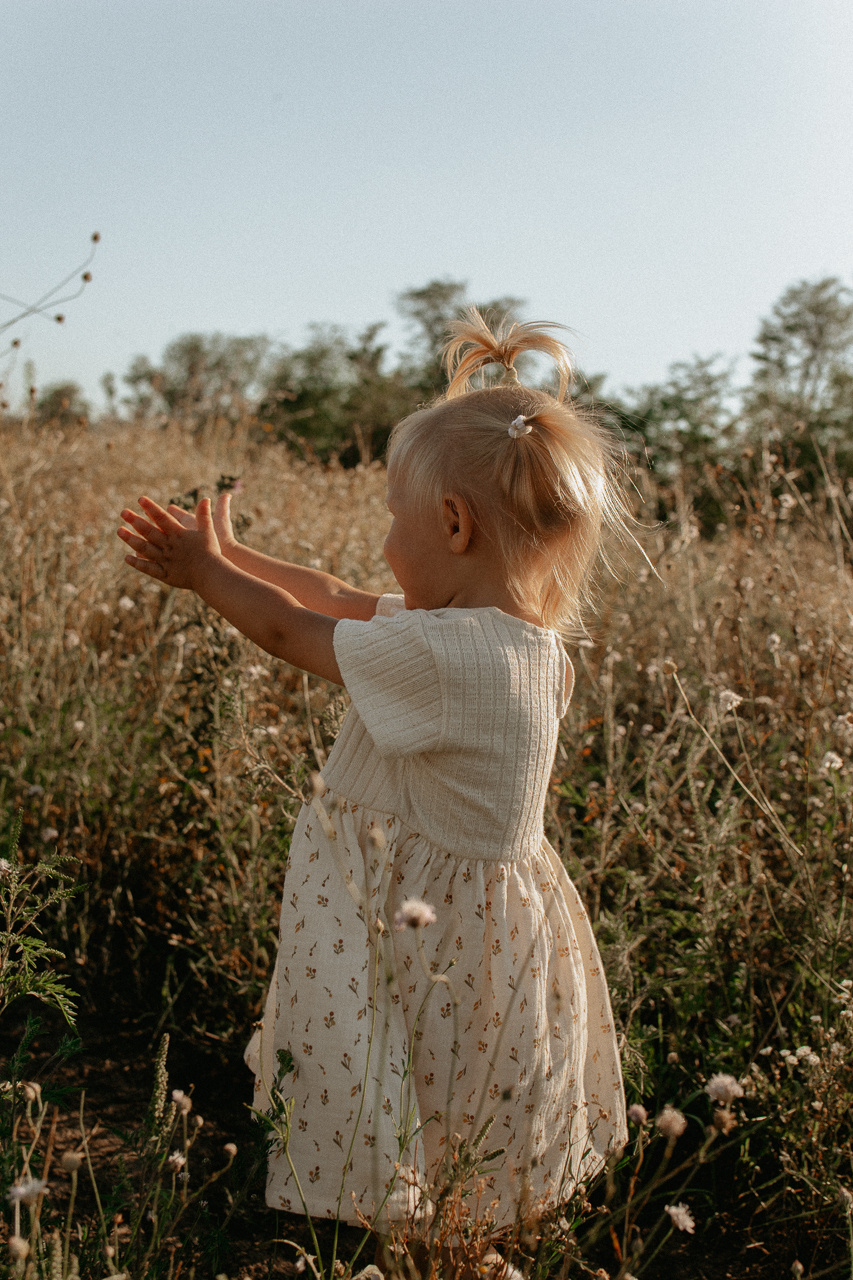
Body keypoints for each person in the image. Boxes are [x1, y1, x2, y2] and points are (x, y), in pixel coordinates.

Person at [117, 309, 629, 1265]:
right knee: (471, 1106)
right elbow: (334, 594)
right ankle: (465, 1246)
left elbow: (291, 630)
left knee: (404, 1088)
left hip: (418, 932)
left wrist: (201, 576)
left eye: (395, 519)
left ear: (453, 524)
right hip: (492, 932)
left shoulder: (443, 658)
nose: (387, 539)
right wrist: (227, 557)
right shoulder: (526, 647)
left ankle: (422, 1251)